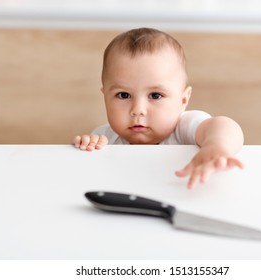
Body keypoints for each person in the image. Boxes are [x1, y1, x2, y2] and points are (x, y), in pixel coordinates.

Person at [73, 27, 244, 189]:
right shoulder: (104, 137)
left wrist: (216, 146)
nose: (138, 109)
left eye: (155, 96)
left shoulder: (184, 127)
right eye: (123, 95)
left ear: (183, 100)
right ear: (105, 97)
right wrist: (86, 148)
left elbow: (225, 126)